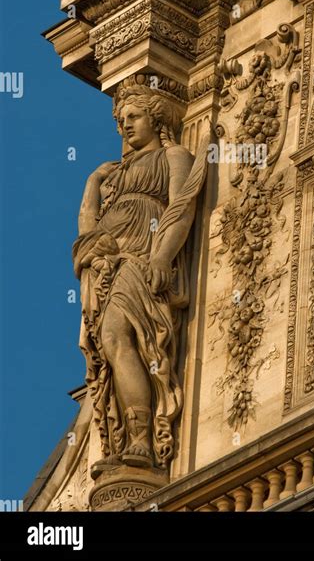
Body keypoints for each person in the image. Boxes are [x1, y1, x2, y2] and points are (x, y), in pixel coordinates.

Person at [73, 83, 206, 477]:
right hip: (105, 262)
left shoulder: (174, 155)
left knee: (118, 335)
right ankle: (125, 441)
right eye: (120, 120)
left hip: (141, 257)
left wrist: (163, 255)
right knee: (110, 347)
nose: (125, 126)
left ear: (156, 118)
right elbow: (87, 230)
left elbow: (180, 209)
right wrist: (93, 183)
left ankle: (142, 440)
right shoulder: (114, 174)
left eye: (134, 117)